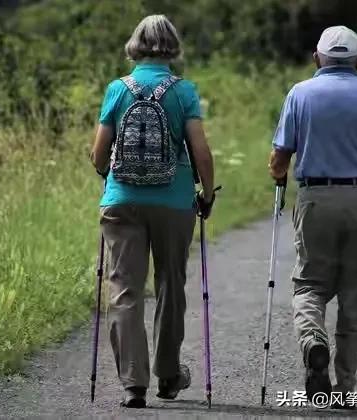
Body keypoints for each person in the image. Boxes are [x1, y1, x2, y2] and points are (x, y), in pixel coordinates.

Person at [268, 26, 357, 408]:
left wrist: (278, 175)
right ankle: (344, 389)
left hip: (316, 198)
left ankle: (314, 340)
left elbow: (280, 158)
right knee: (355, 296)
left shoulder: (300, 94)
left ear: (317, 58)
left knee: (310, 284)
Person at [89, 14, 216, 408]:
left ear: (135, 46)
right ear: (172, 46)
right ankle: (168, 375)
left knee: (125, 289)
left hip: (122, 201)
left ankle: (133, 384)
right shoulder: (184, 91)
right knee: (169, 286)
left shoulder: (117, 89)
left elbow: (98, 154)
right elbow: (200, 150)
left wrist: (111, 178)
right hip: (173, 201)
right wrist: (206, 194)